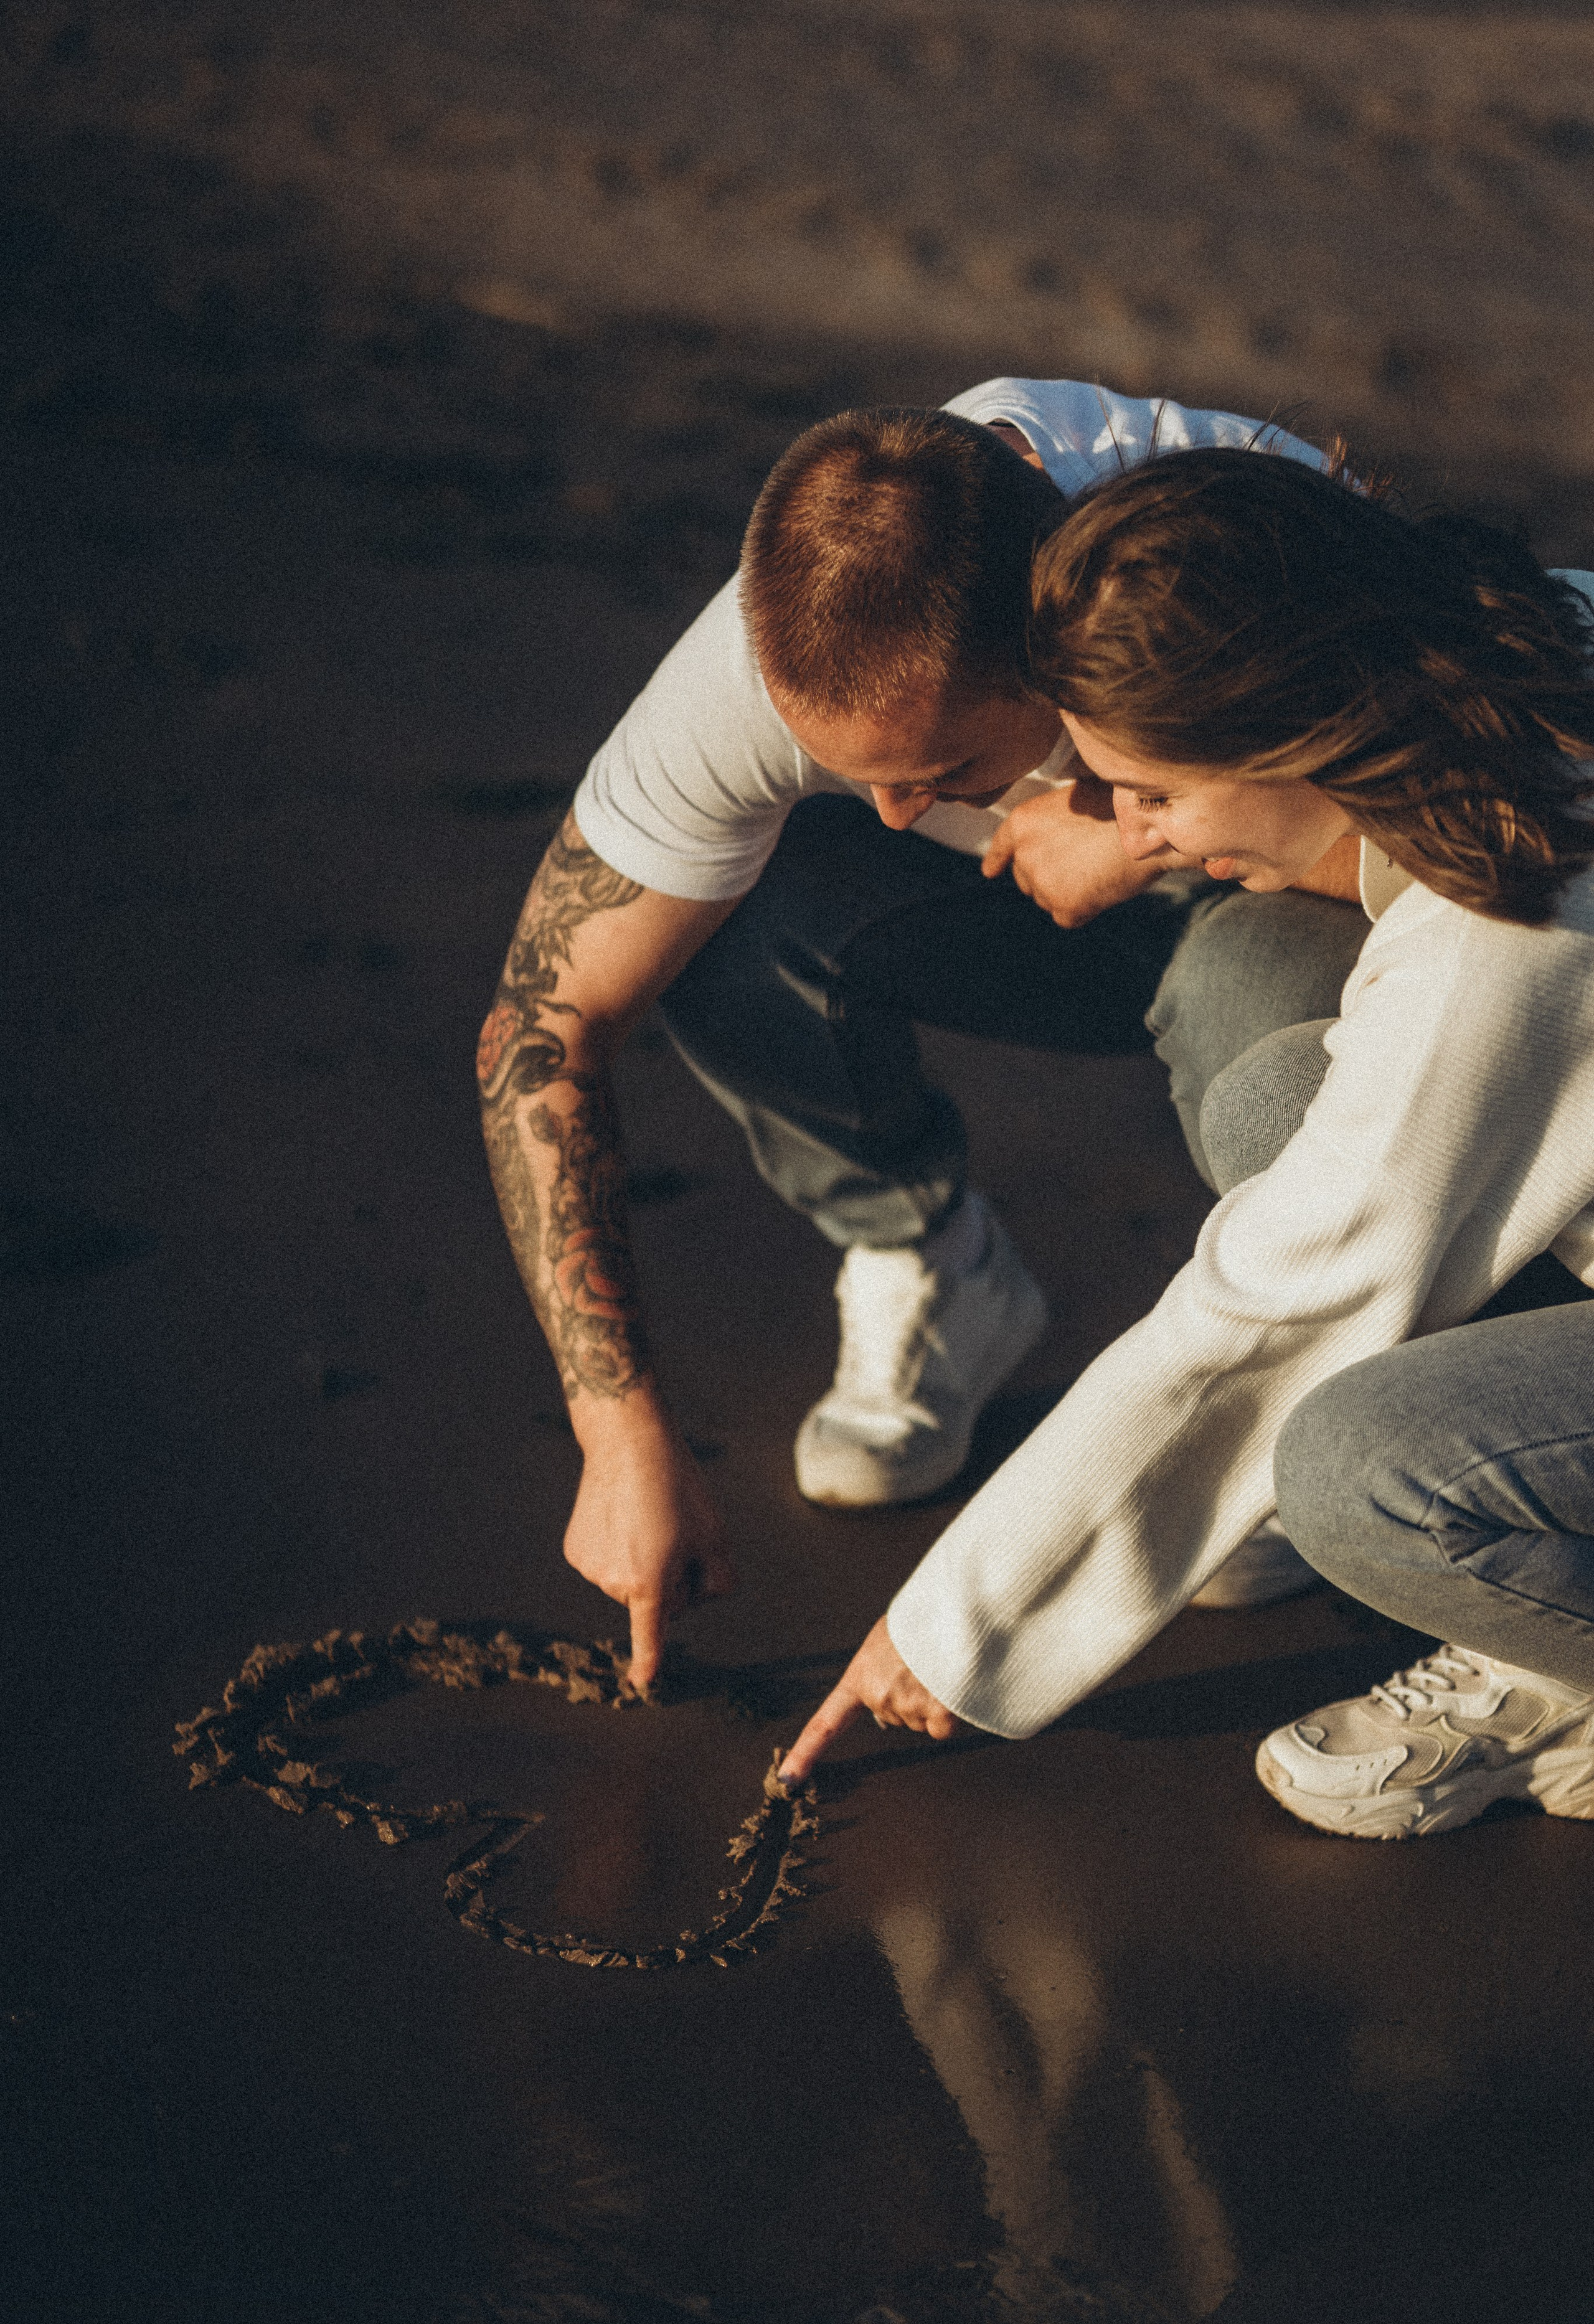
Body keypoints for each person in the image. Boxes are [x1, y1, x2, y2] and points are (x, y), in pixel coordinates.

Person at [478, 380, 1368, 1688]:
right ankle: (933, 1264)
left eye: (943, 771)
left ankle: (1306, 1383)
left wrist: (1141, 827)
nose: (896, 816)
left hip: (1297, 897)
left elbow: (1476, 873)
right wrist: (619, 1439)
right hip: (1036, 903)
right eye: (855, 773)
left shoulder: (1250, 543)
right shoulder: (767, 668)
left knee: (1260, 1054)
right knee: (716, 914)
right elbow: (544, 1028)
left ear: (1051, 650)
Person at [780, 445, 1594, 1841]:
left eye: (1150, 795)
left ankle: (1562, 1683)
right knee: (1283, 1106)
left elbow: (1273, 1307)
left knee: (1355, 1472)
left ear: (1295, 733)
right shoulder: (1529, 642)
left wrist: (948, 1630)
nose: (1134, 837)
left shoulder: (1502, 930)